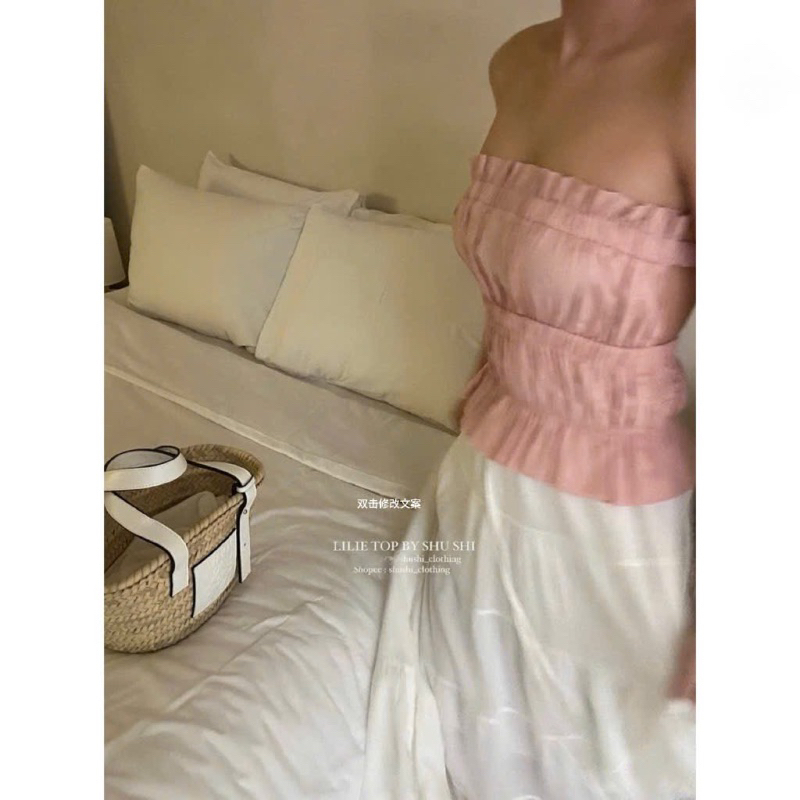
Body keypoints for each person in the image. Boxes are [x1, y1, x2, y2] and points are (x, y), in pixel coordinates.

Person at [360, 1, 696, 798]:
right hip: (478, 493)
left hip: (611, 531)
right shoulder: (516, 62)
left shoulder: (706, 73)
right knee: (482, 756)